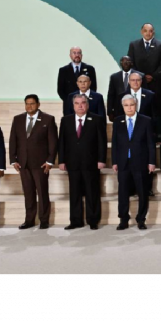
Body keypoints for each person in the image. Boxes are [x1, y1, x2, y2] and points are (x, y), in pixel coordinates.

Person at [59, 95, 107, 230]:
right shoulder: (66, 120)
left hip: (91, 162)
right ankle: (76, 220)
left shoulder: (97, 119)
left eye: (83, 103)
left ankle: (93, 220)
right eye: (77, 103)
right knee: (74, 192)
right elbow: (61, 142)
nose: (80, 106)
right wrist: (61, 160)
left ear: (87, 105)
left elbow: (102, 142)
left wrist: (101, 160)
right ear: (73, 105)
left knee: (92, 192)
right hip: (72, 162)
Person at [9, 95, 58, 229]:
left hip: (41, 164)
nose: (29, 106)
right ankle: (29, 220)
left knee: (42, 193)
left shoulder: (48, 119)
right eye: (27, 104)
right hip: (23, 164)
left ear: (38, 104)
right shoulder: (18, 119)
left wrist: (50, 161)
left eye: (32, 103)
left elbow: (53, 142)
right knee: (28, 193)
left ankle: (44, 220)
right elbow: (13, 140)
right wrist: (13, 160)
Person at [111, 96, 156, 230]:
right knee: (123, 192)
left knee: (142, 192)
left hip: (141, 162)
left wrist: (151, 162)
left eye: (131, 104)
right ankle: (123, 219)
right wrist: (114, 161)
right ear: (123, 107)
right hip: (123, 162)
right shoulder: (118, 121)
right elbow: (115, 143)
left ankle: (141, 219)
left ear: (136, 105)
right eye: (126, 105)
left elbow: (151, 144)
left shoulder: (146, 120)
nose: (129, 108)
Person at [128, 23, 161, 87]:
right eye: (145, 31)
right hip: (138, 82)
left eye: (150, 31)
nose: (148, 33)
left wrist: (153, 76)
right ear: (141, 32)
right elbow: (130, 63)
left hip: (156, 82)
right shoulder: (133, 45)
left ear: (153, 33)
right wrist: (141, 76)